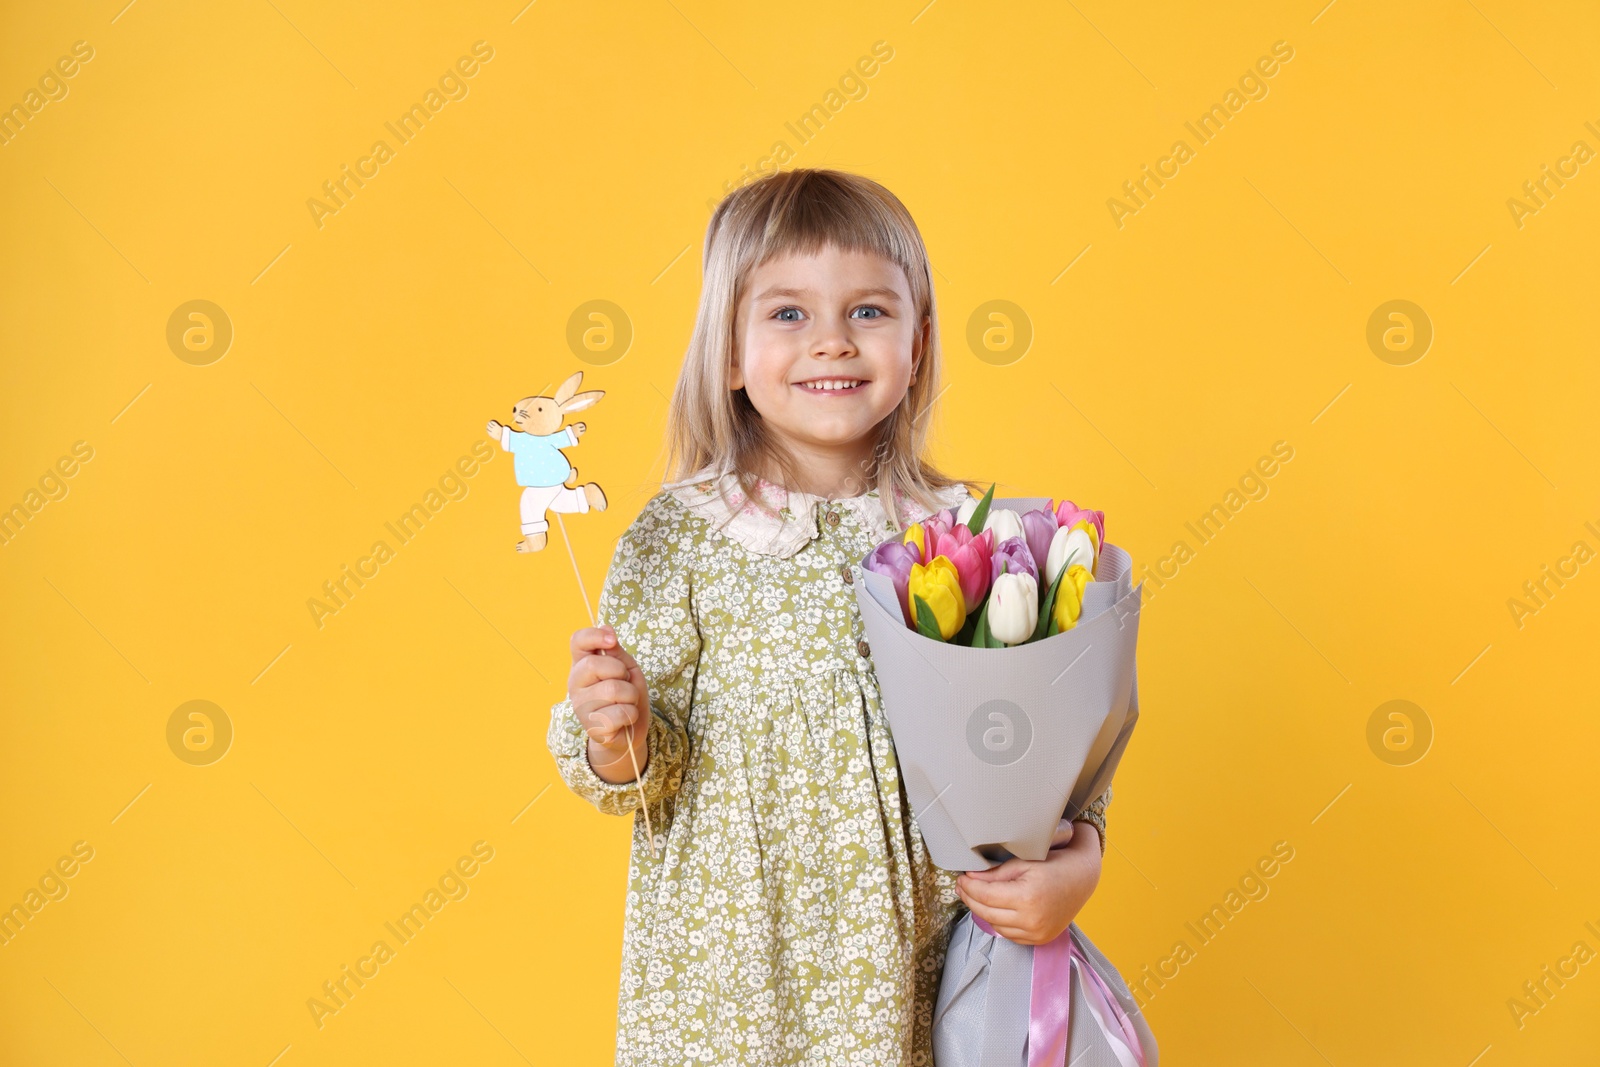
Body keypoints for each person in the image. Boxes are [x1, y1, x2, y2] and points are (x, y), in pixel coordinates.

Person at [547, 167, 1112, 1065]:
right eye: (787, 314)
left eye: (868, 312)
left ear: (918, 344)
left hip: (918, 967)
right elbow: (640, 775)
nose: (832, 343)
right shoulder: (681, 538)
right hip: (727, 976)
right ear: (727, 353)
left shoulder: (971, 537)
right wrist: (619, 731)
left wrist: (1074, 868)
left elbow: (1048, 751)